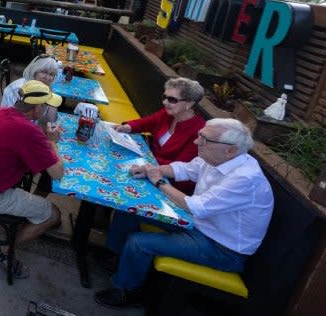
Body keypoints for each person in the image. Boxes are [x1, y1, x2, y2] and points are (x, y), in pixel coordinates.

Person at [94, 118, 274, 309]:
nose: (197, 142)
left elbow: (195, 206)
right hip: (198, 223)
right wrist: (152, 170)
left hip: (222, 248)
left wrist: (159, 182)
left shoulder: (245, 178)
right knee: (131, 209)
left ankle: (127, 290)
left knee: (139, 243)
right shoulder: (218, 157)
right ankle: (117, 257)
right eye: (200, 136)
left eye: (205, 139)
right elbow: (185, 169)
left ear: (231, 150)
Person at [0, 80, 65, 279]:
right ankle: (2, 251)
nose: (48, 110)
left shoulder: (2, 112)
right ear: (37, 108)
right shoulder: (29, 131)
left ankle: (31, 215)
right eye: (46, 105)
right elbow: (58, 173)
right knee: (53, 214)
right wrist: (52, 143)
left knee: (39, 188)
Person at [114, 77, 205, 193]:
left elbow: (180, 167)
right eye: (164, 97)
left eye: (172, 100)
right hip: (149, 166)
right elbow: (147, 122)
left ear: (189, 103)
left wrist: (144, 161)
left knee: (120, 179)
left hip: (170, 183)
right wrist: (127, 127)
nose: (165, 102)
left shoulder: (199, 131)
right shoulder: (168, 114)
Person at [1, 55, 62, 123]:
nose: (47, 78)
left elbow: (51, 120)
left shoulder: (46, 90)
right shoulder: (20, 89)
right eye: (44, 72)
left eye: (51, 74)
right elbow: (11, 118)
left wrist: (51, 102)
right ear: (35, 71)